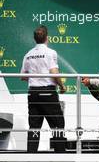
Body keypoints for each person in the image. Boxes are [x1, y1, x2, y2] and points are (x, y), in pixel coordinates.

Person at [21, 25, 67, 153]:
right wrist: (62, 86)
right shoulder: (50, 52)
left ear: (35, 39)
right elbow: (54, 72)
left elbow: (23, 77)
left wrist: (36, 74)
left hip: (32, 94)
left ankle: (30, 157)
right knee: (58, 125)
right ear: (47, 38)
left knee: (34, 127)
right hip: (47, 92)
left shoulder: (28, 54)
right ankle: (60, 157)